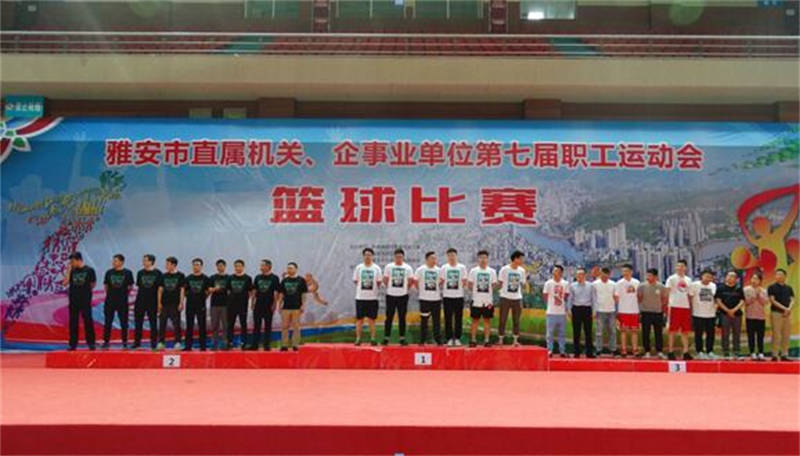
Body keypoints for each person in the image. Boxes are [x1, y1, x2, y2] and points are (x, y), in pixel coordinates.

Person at [62, 252, 97, 351]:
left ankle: (91, 343)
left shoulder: (89, 270)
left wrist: (84, 292)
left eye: (73, 261)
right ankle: (73, 344)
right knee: (73, 322)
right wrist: (68, 271)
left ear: (79, 260)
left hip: (85, 300)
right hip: (73, 300)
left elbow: (93, 284)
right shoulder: (72, 271)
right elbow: (65, 283)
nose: (71, 263)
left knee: (88, 320)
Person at [101, 254, 134, 349]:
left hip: (122, 301)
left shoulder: (128, 273)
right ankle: (106, 342)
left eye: (115, 261)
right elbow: (106, 286)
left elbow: (130, 286)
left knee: (124, 322)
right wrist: (112, 294)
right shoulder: (109, 272)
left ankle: (125, 342)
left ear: (121, 262)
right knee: (108, 322)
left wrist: (122, 294)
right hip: (110, 301)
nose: (113, 262)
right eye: (113, 260)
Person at [383, 248, 414, 345]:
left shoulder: (408, 268)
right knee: (389, 317)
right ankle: (386, 338)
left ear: (403, 257)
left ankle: (402, 338)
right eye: (397, 257)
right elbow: (385, 280)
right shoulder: (389, 267)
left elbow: (410, 281)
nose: (398, 258)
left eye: (400, 257)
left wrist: (404, 289)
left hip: (403, 296)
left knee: (402, 317)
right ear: (394, 257)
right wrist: (391, 288)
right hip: (390, 295)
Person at [467, 250, 497, 347]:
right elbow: (470, 285)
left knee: (487, 321)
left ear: (487, 259)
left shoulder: (492, 272)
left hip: (488, 301)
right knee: (475, 320)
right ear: (478, 259)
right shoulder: (473, 271)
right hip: (476, 301)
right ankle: (473, 340)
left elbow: (494, 285)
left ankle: (487, 340)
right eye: (481, 258)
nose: (483, 260)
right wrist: (477, 291)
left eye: (485, 258)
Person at [353, 248, 382, 346]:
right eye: (366, 255)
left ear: (372, 256)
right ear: (363, 256)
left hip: (372, 298)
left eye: (369, 255)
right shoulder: (359, 268)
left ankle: (373, 339)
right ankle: (358, 339)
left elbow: (379, 282)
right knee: (359, 319)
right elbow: (356, 281)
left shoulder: (376, 268)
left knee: (371, 320)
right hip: (360, 298)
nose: (367, 257)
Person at [497, 250, 527, 346]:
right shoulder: (504, 269)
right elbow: (500, 283)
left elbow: (523, 284)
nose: (522, 261)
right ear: (515, 259)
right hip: (505, 297)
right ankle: (500, 339)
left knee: (516, 320)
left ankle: (515, 340)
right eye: (521, 259)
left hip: (517, 298)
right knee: (502, 319)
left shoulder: (522, 271)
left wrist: (525, 285)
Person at [132, 254, 161, 350]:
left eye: (145, 260)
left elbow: (160, 289)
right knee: (138, 322)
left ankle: (154, 343)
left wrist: (159, 303)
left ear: (151, 262)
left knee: (153, 322)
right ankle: (137, 343)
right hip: (140, 300)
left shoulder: (158, 273)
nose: (143, 262)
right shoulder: (140, 273)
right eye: (143, 260)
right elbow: (139, 286)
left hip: (152, 301)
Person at [665, 260, 693, 360]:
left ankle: (685, 352)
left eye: (682, 266)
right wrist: (667, 305)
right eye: (678, 266)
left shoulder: (689, 280)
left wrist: (690, 307)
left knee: (685, 331)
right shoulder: (671, 279)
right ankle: (670, 351)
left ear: (685, 268)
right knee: (672, 330)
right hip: (674, 306)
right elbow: (667, 292)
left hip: (685, 307)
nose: (680, 268)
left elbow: (690, 295)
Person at [440, 248, 468, 346]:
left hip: (459, 296)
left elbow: (464, 281)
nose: (452, 257)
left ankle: (457, 338)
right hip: (447, 296)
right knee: (448, 318)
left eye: (453, 255)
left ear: (456, 256)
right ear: (447, 257)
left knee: (458, 318)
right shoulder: (444, 268)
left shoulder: (462, 267)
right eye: (450, 255)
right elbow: (441, 281)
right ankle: (449, 338)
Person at [637, 268, 667, 359]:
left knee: (659, 333)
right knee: (646, 333)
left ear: (655, 277)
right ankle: (647, 351)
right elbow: (639, 298)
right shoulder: (641, 286)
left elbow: (664, 299)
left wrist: (661, 308)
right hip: (646, 312)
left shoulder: (661, 286)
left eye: (650, 275)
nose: (648, 277)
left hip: (658, 312)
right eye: (647, 275)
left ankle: (659, 351)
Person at [715, 271, 745, 359]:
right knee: (725, 333)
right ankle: (726, 352)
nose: (731, 278)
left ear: (736, 279)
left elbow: (742, 300)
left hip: (737, 314)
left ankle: (736, 351)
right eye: (729, 276)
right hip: (724, 314)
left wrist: (734, 310)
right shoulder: (721, 288)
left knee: (737, 333)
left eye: (733, 276)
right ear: (726, 277)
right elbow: (718, 301)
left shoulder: (739, 288)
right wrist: (728, 310)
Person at [251, 259, 280, 350]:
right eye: (261, 265)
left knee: (268, 325)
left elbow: (276, 292)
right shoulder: (257, 277)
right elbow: (254, 290)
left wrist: (274, 304)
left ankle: (266, 345)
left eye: (263, 265)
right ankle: (255, 345)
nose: (261, 267)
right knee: (257, 325)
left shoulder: (274, 278)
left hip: (269, 304)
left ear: (268, 267)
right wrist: (252, 302)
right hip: (258, 304)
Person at [157, 256, 185, 351]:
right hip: (164, 303)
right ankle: (161, 343)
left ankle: (177, 343)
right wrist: (159, 303)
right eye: (166, 264)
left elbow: (182, 290)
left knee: (176, 324)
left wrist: (181, 303)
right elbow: (160, 290)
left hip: (175, 303)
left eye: (168, 264)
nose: (166, 266)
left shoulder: (180, 275)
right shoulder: (163, 276)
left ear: (173, 265)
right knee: (162, 323)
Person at [567, 266, 596, 358]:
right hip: (576, 309)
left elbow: (594, 299)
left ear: (585, 275)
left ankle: (589, 353)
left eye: (581, 274)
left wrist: (594, 311)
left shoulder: (590, 286)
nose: (579, 276)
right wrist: (569, 310)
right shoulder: (572, 286)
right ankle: (576, 352)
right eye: (578, 275)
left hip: (587, 309)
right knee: (576, 332)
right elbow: (570, 299)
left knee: (588, 332)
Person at [279, 262, 308, 351]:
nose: (289, 270)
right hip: (286, 307)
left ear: (296, 269)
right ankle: (284, 345)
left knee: (296, 327)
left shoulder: (301, 280)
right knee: (285, 326)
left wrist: (303, 305)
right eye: (288, 268)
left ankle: (295, 345)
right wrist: (279, 304)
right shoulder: (284, 280)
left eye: (291, 268)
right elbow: (281, 294)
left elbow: (304, 294)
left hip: (297, 307)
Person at [415, 252, 443, 345]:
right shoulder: (420, 270)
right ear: (427, 259)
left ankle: (438, 339)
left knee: (436, 321)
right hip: (424, 299)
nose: (434, 260)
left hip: (436, 300)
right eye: (432, 258)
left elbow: (441, 282)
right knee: (424, 320)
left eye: (435, 258)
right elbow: (416, 282)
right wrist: (421, 291)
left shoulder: (439, 270)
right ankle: (422, 339)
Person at [767, 268, 794, 361]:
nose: (778, 276)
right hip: (776, 313)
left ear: (785, 276)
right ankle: (774, 354)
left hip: (787, 314)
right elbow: (772, 300)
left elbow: (792, 299)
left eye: (781, 274)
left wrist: (789, 309)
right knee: (776, 334)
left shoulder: (789, 288)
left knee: (786, 334)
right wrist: (784, 309)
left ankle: (784, 354)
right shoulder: (771, 287)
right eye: (777, 274)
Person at [614, 264, 641, 357]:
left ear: (631, 272)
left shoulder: (636, 282)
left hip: (634, 310)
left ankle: (635, 350)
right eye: (623, 271)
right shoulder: (619, 283)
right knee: (623, 331)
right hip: (623, 310)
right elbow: (616, 297)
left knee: (634, 331)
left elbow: (639, 296)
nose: (625, 273)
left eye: (626, 271)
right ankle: (624, 350)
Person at [690, 269, 717, 360]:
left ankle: (710, 351)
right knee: (698, 334)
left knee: (710, 334)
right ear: (701, 276)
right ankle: (699, 351)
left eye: (710, 277)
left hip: (711, 314)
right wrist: (691, 310)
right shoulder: (694, 285)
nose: (708, 278)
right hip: (698, 313)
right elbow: (690, 297)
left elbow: (715, 299)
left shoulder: (713, 286)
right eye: (706, 276)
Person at [543, 265, 569, 356]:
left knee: (562, 333)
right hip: (551, 312)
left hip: (561, 312)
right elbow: (545, 296)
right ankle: (549, 350)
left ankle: (562, 351)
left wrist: (560, 301)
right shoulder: (548, 283)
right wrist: (552, 303)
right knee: (549, 333)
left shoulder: (565, 283)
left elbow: (566, 296)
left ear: (561, 272)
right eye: (554, 271)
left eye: (557, 271)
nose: (554, 272)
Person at [183, 258, 209, 351]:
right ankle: (188, 346)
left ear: (201, 266)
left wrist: (203, 297)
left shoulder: (205, 278)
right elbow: (184, 291)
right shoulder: (188, 278)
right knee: (189, 326)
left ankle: (203, 346)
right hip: (190, 305)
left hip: (201, 305)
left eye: (197, 265)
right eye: (194, 265)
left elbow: (208, 291)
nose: (196, 266)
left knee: (202, 325)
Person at [226, 259, 252, 350]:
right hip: (231, 305)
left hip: (242, 305)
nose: (238, 268)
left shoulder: (248, 278)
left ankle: (243, 343)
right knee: (230, 324)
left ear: (243, 267)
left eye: (239, 266)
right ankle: (229, 342)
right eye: (236, 266)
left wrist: (246, 300)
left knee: (243, 324)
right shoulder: (230, 278)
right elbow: (228, 290)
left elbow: (250, 292)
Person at [743, 272, 769, 360]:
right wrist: (754, 296)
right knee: (751, 336)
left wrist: (759, 295)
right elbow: (745, 302)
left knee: (760, 336)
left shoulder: (764, 291)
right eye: (753, 278)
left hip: (761, 317)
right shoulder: (746, 290)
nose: (754, 280)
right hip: (750, 316)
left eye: (756, 279)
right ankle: (752, 352)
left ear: (760, 281)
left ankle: (761, 352)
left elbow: (765, 302)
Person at [593, 267, 617, 356]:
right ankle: (598, 349)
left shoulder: (613, 284)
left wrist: (616, 310)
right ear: (600, 274)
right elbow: (593, 298)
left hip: (611, 310)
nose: (604, 276)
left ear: (609, 275)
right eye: (603, 274)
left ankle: (613, 349)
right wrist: (594, 310)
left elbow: (615, 297)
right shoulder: (595, 284)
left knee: (612, 331)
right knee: (599, 331)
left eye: (606, 275)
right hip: (600, 310)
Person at [208, 259, 229, 350]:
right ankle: (214, 344)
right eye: (218, 266)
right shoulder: (212, 277)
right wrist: (214, 289)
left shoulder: (229, 278)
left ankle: (224, 343)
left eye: (222, 266)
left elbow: (230, 290)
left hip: (226, 304)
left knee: (225, 325)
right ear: (216, 267)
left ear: (225, 267)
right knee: (214, 325)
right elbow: (209, 289)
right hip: (214, 304)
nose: (220, 267)